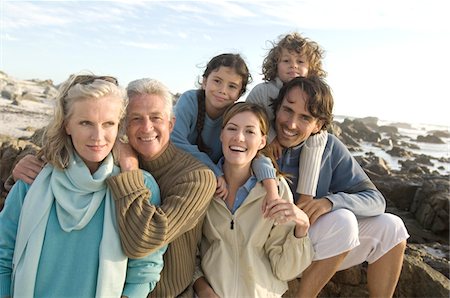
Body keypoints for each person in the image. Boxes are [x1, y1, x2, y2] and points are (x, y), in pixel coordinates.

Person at [0, 74, 166, 297]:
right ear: (67, 125)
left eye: (108, 124)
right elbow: (3, 254)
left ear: (119, 127)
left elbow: (146, 268)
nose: (98, 136)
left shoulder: (139, 185)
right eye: (85, 122)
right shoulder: (32, 180)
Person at [264, 76, 409, 297]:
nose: (291, 124)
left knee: (393, 226)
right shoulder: (256, 135)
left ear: (318, 125)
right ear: (276, 108)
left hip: (305, 242)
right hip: (264, 245)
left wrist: (330, 202)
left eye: (305, 117)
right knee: (344, 222)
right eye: (287, 110)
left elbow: (375, 200)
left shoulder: (329, 147)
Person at [193, 102, 314, 297]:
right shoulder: (202, 186)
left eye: (250, 132)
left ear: (262, 142)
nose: (239, 138)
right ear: (221, 135)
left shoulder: (277, 189)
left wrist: (302, 227)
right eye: (232, 128)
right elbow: (188, 254)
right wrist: (203, 290)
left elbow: (285, 270)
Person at [170, 53, 281, 206]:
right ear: (204, 82)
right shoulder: (190, 100)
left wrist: (271, 188)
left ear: (239, 94)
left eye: (232, 86)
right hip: (178, 170)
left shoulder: (235, 117)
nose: (222, 90)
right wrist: (212, 170)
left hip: (214, 184)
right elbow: (174, 140)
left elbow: (255, 152)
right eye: (217, 81)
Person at [246, 32, 328, 206]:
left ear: (311, 68)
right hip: (265, 141)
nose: (293, 66)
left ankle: (305, 197)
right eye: (286, 61)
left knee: (319, 137)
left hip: (302, 141)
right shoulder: (263, 91)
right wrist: (271, 137)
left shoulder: (313, 96)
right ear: (276, 64)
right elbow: (249, 115)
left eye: (300, 62)